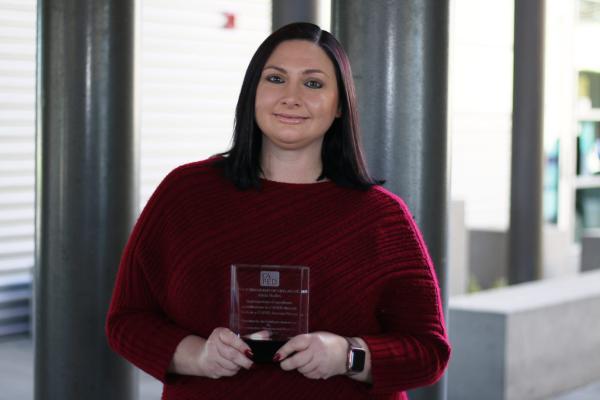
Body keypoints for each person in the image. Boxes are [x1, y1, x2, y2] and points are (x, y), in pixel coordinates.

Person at [106, 22, 451, 400]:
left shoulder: (380, 217)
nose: (292, 97)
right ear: (252, 92)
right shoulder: (184, 194)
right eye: (275, 78)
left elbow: (428, 352)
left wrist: (347, 355)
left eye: (314, 84)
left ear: (339, 106)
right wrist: (199, 355)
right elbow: (127, 321)